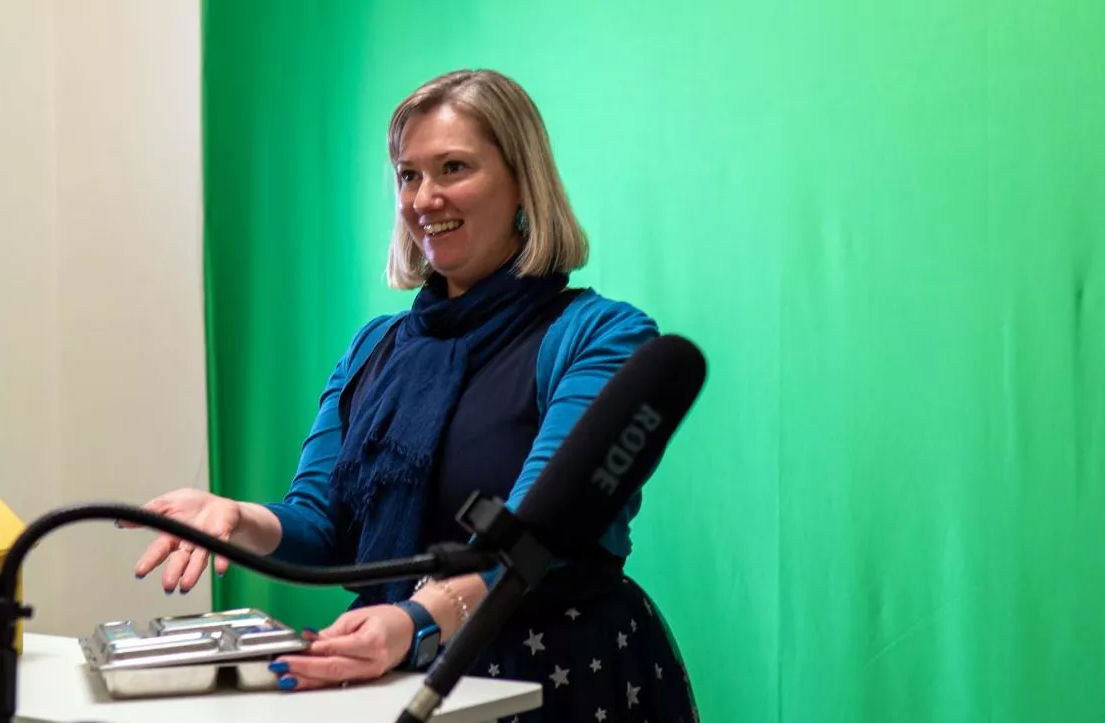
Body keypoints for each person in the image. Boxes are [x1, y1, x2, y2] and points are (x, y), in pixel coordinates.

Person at [128, 69, 698, 723]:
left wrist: (414, 620)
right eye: (408, 175)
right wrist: (239, 518)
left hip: (555, 679)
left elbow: (542, 532)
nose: (425, 197)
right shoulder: (374, 347)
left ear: (522, 183)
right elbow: (324, 524)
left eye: (453, 167)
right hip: (395, 668)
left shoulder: (601, 335)